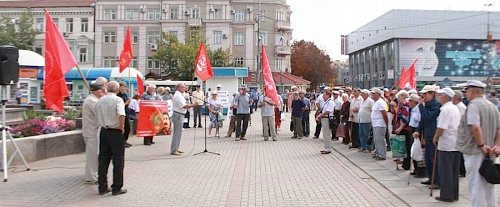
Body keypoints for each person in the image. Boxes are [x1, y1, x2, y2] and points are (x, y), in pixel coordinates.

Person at [457, 80, 500, 207]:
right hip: (491, 151)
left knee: (476, 186)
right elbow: (498, 128)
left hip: (475, 151)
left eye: (466, 91)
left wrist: (481, 145)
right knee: (489, 184)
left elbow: (475, 126)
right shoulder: (491, 105)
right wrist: (497, 145)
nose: (465, 94)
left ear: (472, 91)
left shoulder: (474, 105)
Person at [95, 81, 127, 196]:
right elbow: (121, 114)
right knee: (118, 160)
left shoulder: (100, 100)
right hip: (115, 131)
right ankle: (116, 187)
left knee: (103, 160)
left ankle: (102, 186)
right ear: (117, 90)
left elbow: (96, 115)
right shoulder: (117, 100)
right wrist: (121, 126)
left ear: (107, 89)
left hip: (104, 131)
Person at [432, 88, 461, 202]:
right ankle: (453, 194)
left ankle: (447, 195)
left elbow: (441, 127)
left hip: (447, 144)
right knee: (453, 171)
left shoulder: (445, 109)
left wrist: (435, 137)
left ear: (445, 96)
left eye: (440, 95)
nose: (439, 97)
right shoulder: (454, 108)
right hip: (455, 143)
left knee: (446, 171)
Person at [412, 85, 441, 188]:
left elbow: (428, 117)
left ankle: (437, 180)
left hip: (434, 135)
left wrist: (421, 106)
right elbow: (423, 120)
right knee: (428, 158)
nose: (423, 96)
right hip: (427, 134)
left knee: (434, 159)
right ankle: (431, 178)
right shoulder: (427, 104)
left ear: (432, 93)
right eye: (422, 94)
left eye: (425, 94)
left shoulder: (436, 105)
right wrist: (418, 130)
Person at [82, 83, 105, 184]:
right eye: (101, 90)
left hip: (94, 130)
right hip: (91, 131)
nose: (103, 92)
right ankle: (91, 177)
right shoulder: (91, 101)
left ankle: (94, 175)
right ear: (96, 91)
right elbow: (99, 113)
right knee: (92, 155)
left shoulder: (94, 99)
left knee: (95, 154)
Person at [171, 83, 197, 155]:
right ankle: (174, 150)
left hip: (180, 114)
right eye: (183, 87)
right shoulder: (178, 96)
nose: (184, 89)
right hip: (178, 114)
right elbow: (184, 106)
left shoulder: (180, 95)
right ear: (178, 88)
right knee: (177, 133)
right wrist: (193, 105)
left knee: (178, 133)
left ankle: (176, 148)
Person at [408, 94, 426, 178]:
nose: (409, 103)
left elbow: (421, 122)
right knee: (413, 150)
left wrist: (421, 135)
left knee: (419, 151)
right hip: (412, 129)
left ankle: (421, 170)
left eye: (410, 101)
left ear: (414, 102)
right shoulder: (413, 109)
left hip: (417, 131)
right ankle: (415, 169)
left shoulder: (419, 109)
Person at [393, 90, 411, 170]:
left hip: (405, 129)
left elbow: (405, 118)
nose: (398, 99)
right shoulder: (401, 105)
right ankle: (403, 163)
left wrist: (400, 128)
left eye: (399, 97)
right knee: (402, 146)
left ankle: (406, 164)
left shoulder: (405, 104)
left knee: (406, 147)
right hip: (400, 128)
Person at [370, 88, 388, 160]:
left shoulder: (381, 102)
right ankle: (378, 152)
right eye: (372, 93)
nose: (372, 95)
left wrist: (386, 122)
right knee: (376, 140)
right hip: (375, 123)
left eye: (374, 94)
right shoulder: (375, 102)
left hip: (380, 124)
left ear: (379, 94)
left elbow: (384, 113)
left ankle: (382, 154)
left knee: (380, 140)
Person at [453, 90, 467, 177]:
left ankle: (462, 170)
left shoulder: (461, 107)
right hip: (458, 132)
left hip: (460, 132)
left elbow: (460, 121)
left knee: (460, 153)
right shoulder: (456, 106)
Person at [117, 82, 132, 148]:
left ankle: (125, 140)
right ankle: (122, 142)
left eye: (125, 86)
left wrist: (129, 102)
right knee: (124, 127)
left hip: (126, 112)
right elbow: (119, 105)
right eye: (123, 86)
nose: (124, 88)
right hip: (121, 113)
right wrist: (126, 103)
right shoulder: (118, 95)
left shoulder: (125, 94)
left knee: (128, 128)